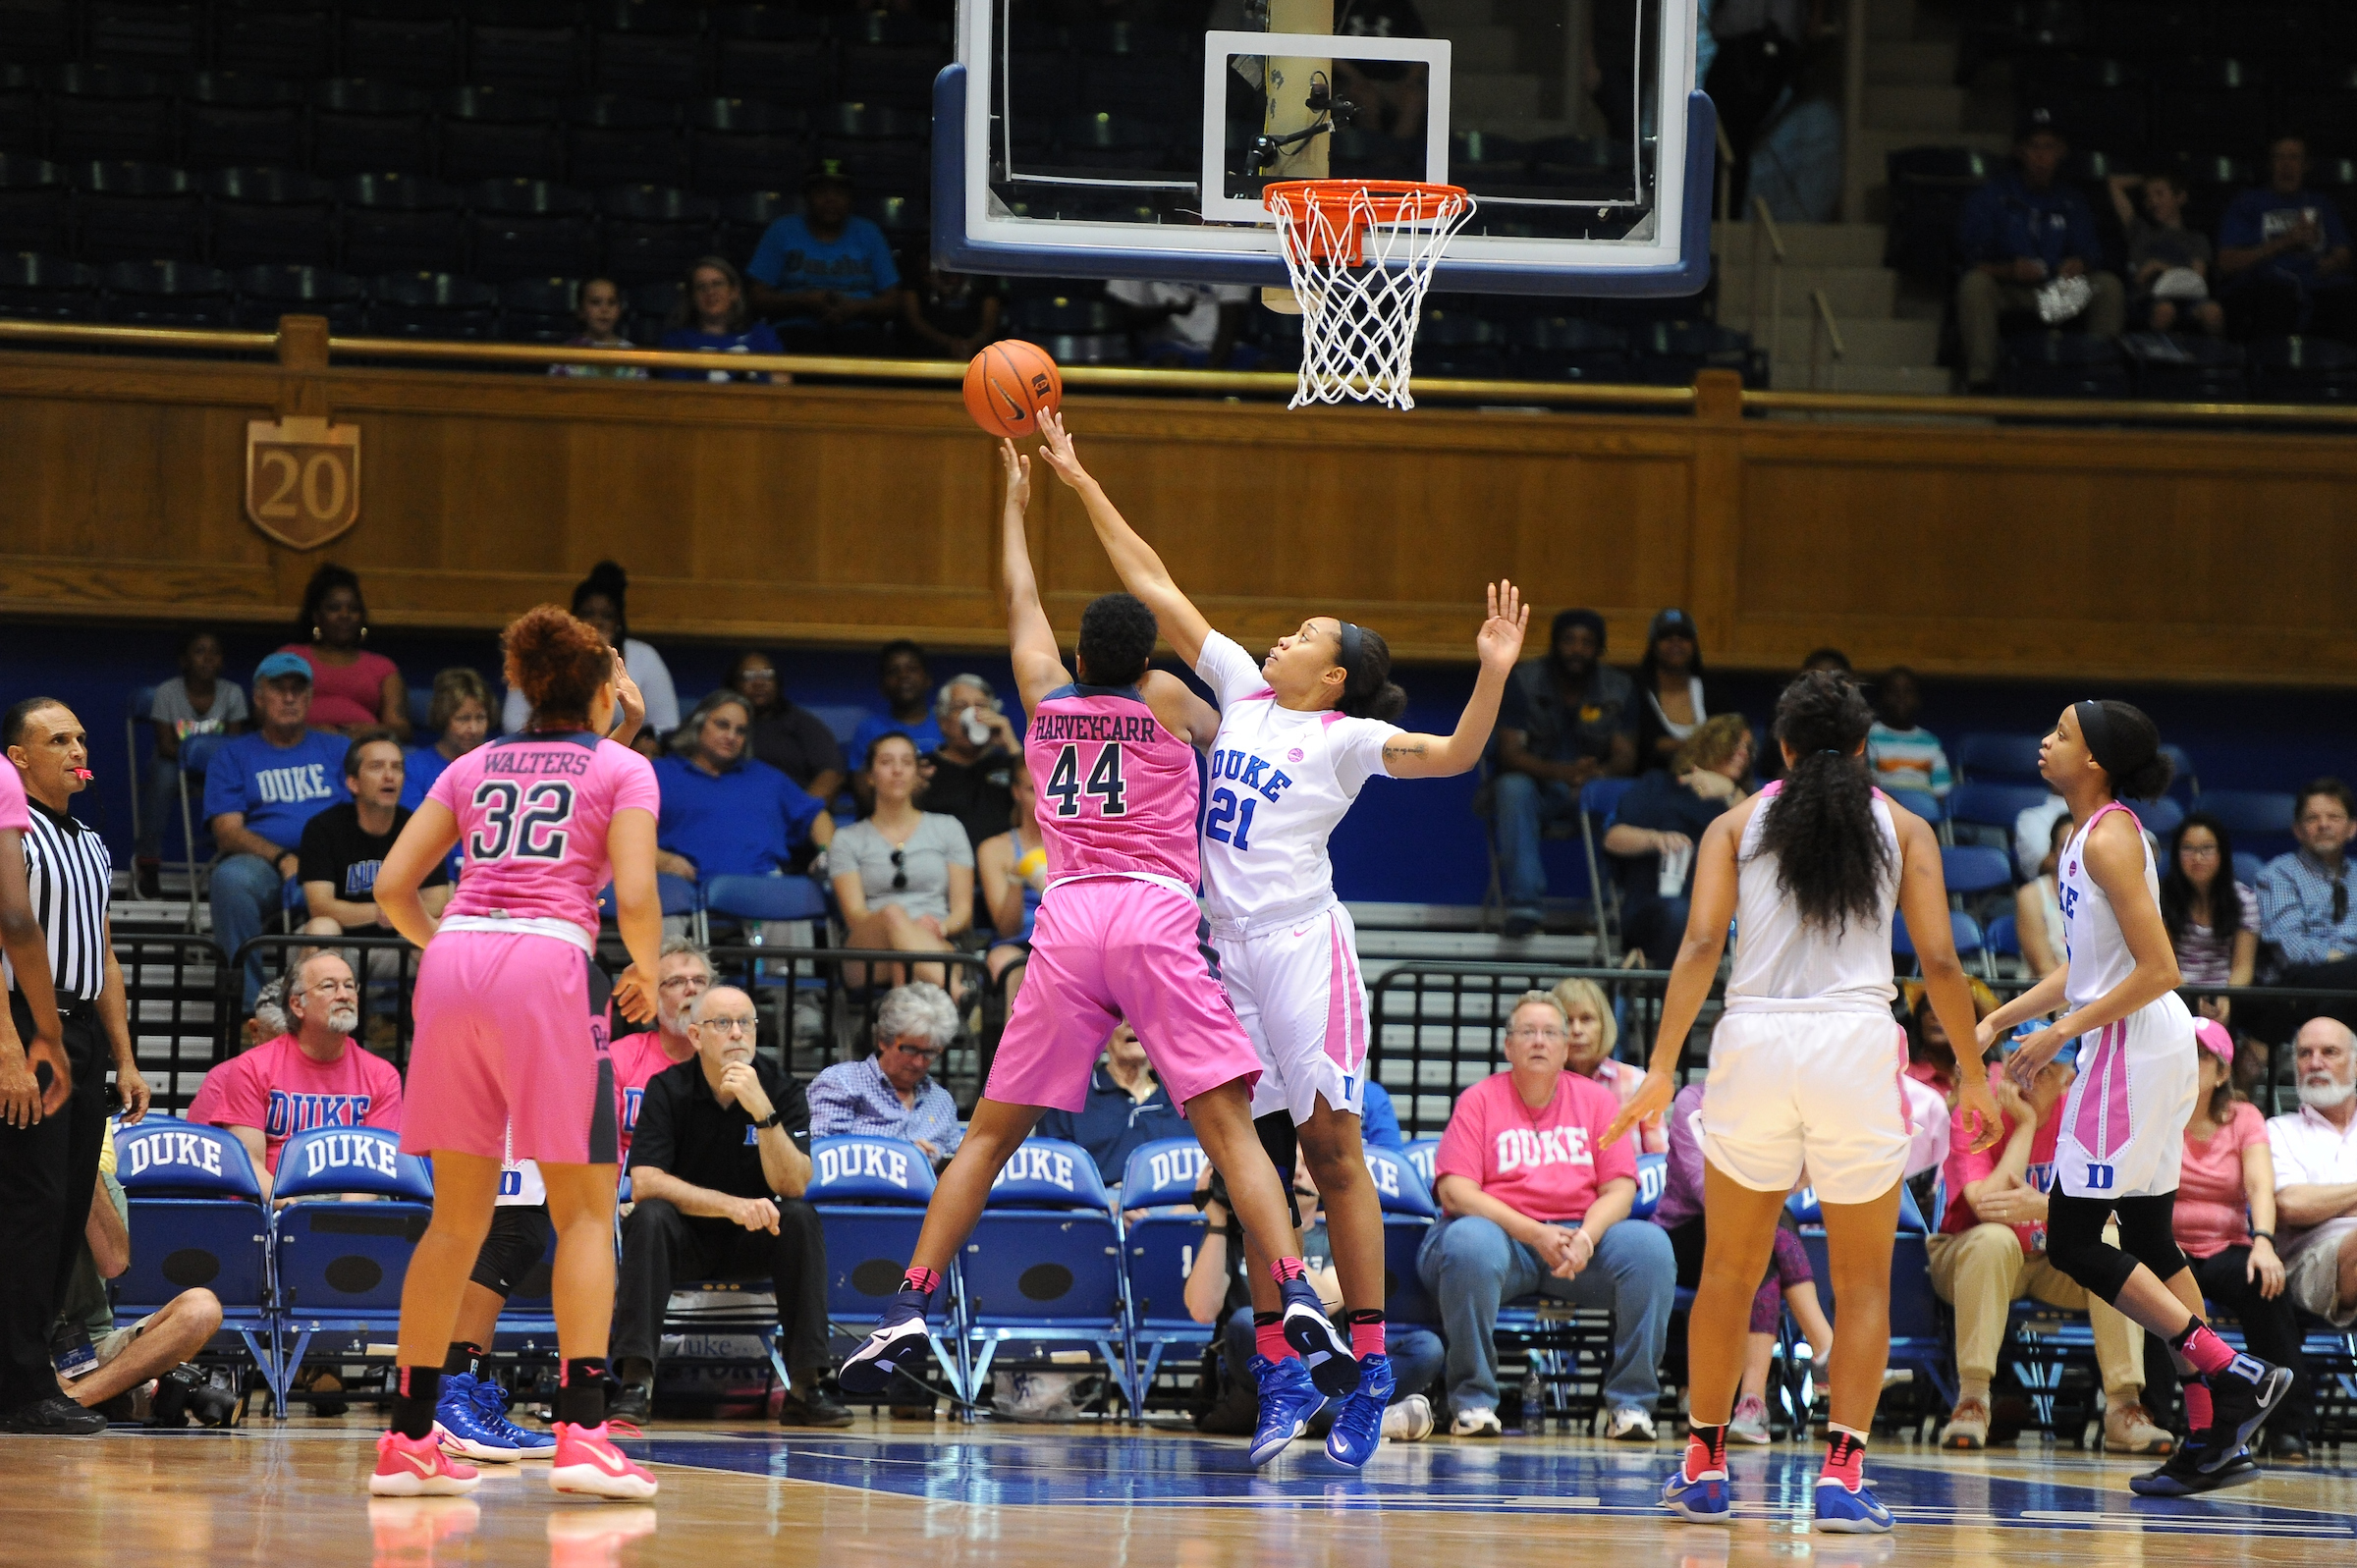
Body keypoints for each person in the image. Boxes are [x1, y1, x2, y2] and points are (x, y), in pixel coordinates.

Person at [836, 440, 1355, 1464]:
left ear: (1078, 658)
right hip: (1156, 918)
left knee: (987, 1137)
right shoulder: (1174, 703)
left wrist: (1015, 501)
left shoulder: (1045, 697)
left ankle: (907, 1307)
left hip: (1066, 924)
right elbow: (1241, 721)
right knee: (1232, 1132)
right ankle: (1297, 1291)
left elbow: (1019, 599)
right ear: (1147, 659)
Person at [1038, 405, 1529, 1468]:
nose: (1283, 636)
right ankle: (1281, 1375)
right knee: (1250, 1164)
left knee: (1333, 1155)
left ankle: (1371, 1370)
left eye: (1307, 633)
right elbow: (1155, 582)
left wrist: (1493, 671)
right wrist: (1079, 481)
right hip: (1225, 954)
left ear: (1335, 673)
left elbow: (1452, 757)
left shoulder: (1348, 738)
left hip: (1304, 947)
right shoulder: (1240, 688)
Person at [1614, 671, 2000, 1533]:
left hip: (1754, 1040)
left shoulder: (1731, 824)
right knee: (1862, 1283)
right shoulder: (1906, 826)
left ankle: (1705, 1463)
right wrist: (1973, 1073)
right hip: (1855, 1046)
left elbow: (1701, 944)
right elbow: (1941, 962)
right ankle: (1841, 1475)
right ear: (1865, 747)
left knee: (1727, 1270)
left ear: (1781, 747)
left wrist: (1663, 1065)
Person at [363, 605, 664, 1500]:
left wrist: (455, 953)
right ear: (605, 688)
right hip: (548, 963)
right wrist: (648, 971)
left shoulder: (474, 762)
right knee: (585, 1212)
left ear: (522, 686)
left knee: (455, 1219)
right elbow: (635, 893)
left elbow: (392, 885)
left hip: (454, 960)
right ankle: (584, 1432)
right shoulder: (625, 767)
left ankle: (408, 1439)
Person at [1972, 701, 2292, 1497]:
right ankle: (2211, 1434)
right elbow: (2089, 968)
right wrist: (2005, 1016)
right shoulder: (2091, 835)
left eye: (2062, 733)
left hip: (2130, 1047)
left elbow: (2160, 968)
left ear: (2096, 761)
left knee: (2074, 1238)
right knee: (2150, 1236)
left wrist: (2060, 1032)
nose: (2045, 741)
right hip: (2144, 1041)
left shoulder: (2109, 838)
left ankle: (2234, 1372)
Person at [436, 940, 719, 1457]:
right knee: (506, 1234)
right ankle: (449, 1396)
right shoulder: (525, 937)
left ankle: (469, 1393)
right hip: (505, 1059)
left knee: (520, 1234)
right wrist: (642, 964)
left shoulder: (568, 946)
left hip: (538, 1060)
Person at [1421, 990, 1676, 1440]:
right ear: (1509, 1046)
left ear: (1564, 1047)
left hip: (1578, 1246)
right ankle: (1473, 1402)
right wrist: (1534, 1232)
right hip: (1503, 1241)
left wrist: (1588, 1236)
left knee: (1650, 1247)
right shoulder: (1479, 1100)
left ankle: (1631, 1406)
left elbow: (1621, 1189)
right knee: (1468, 1241)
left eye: (1550, 1033)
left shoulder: (1598, 1102)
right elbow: (1455, 1191)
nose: (1539, 1041)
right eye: (1527, 1032)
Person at [2, 697, 152, 1436]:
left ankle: (34, 1376)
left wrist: (125, 1057)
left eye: (82, 738)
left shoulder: (91, 842)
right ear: (18, 757)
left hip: (83, 1033)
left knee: (63, 1214)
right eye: (58, 739)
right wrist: (7, 1045)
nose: (76, 749)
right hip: (27, 1025)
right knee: (30, 1208)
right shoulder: (12, 834)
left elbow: (106, 954)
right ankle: (19, 1387)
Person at [612, 985, 844, 1428]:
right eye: (723, 1023)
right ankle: (636, 1383)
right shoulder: (667, 1088)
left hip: (752, 1240)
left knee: (800, 1218)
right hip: (683, 1239)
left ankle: (806, 1386)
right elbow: (645, 1182)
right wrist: (731, 1206)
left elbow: (794, 1184)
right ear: (696, 1036)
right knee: (649, 1215)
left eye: (746, 1023)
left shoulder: (781, 1088)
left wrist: (764, 1114)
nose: (737, 1033)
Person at [1925, 1037, 2168, 1455]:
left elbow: (2117, 1213)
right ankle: (1973, 1400)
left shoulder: (2087, 1121)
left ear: (2068, 1080)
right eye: (2020, 1066)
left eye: (2043, 1071)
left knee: (2112, 1242)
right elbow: (1989, 1207)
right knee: (1994, 1239)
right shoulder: (1977, 1111)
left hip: (2055, 1263)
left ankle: (2123, 1407)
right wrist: (2023, 1126)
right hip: (1970, 1258)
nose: (2027, 1079)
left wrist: (2044, 1207)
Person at [1186, 1148, 1442, 1444]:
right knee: (1245, 1321)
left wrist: (1277, 1246)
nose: (1296, 1172)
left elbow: (1328, 1301)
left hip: (1331, 1366)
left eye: (1306, 1164)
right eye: (1290, 1162)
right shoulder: (1236, 1236)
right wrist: (1217, 1221)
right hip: (1262, 1369)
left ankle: (1317, 1413)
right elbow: (1202, 1310)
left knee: (1427, 1347)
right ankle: (1370, 1420)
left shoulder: (1337, 1237)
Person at [2141, 1019, 2309, 1460]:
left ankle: (2287, 1427)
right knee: (2151, 1289)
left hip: (2225, 1246)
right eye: (2181, 1053)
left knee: (2267, 1285)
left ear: (2221, 1072)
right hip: (2165, 1244)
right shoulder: (2153, 1112)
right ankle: (2152, 1418)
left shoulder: (2244, 1117)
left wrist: (2264, 1242)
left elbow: (2260, 1185)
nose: (2187, 1062)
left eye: (2200, 1056)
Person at [1651, 1076, 1836, 1445]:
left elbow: (1798, 1175)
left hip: (1748, 1235)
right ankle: (1826, 1350)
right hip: (1685, 1238)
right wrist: (1779, 1184)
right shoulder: (1694, 1102)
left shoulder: (1775, 1105)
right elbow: (1709, 1192)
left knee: (1759, 1235)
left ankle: (1753, 1403)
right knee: (1761, 1224)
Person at [187, 948, 403, 1197]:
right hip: (275, 1203)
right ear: (297, 1005)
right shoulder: (252, 1067)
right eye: (329, 986)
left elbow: (375, 1168)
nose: (344, 995)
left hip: (354, 1203)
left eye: (350, 986)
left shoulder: (383, 1075)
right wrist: (296, 1212)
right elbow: (249, 1164)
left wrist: (342, 1215)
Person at [204, 652, 354, 1011]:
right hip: (266, 863)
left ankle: (371, 1008)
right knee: (230, 881)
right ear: (258, 697)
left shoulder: (340, 750)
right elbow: (227, 832)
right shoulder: (232, 755)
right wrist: (283, 858)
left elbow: (363, 815)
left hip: (335, 861)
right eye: (278, 689)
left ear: (309, 697)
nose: (289, 698)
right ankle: (252, 1009)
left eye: (297, 690)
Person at [52, 1120, 227, 1424]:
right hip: (19, 1351)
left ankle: (73, 1401)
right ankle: (118, 1397)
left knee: (202, 1309)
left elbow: (113, 1264)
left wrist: (83, 1164)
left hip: (87, 1347)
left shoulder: (103, 1186)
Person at [1952, 109, 2126, 391]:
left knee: (2107, 286)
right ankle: (1981, 380)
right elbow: (1971, 258)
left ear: (2061, 152)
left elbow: (2091, 254)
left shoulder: (2071, 199)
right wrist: (2009, 270)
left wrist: (2079, 264)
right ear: (2020, 151)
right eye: (2034, 147)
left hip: (2057, 294)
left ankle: (2098, 377)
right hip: (2011, 291)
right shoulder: (1993, 195)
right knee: (1974, 284)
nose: (2042, 156)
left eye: (2049, 147)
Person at [1492, 608, 1638, 938]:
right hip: (1538, 788)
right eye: (1569, 640)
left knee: (1623, 793)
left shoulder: (1619, 687)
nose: (1577, 649)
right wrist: (1563, 773)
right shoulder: (1523, 680)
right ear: (1555, 643)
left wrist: (1594, 777)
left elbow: (1625, 757)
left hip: (1591, 788)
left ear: (1599, 648)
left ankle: (1604, 910)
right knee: (1511, 787)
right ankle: (1524, 907)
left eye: (1587, 642)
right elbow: (1510, 753)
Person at [829, 734, 973, 995]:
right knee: (892, 913)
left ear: (918, 774)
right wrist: (900, 926)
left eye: (906, 762)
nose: (897, 770)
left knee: (904, 959)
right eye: (886, 762)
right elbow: (855, 916)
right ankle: (957, 993)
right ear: (870, 776)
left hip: (934, 938)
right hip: (868, 952)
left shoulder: (948, 828)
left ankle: (903, 1020)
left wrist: (941, 927)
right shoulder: (846, 839)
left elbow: (962, 911)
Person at [1606, 714, 1753, 966]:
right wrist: (1655, 839)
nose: (1743, 753)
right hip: (1657, 907)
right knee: (1680, 914)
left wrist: (1729, 791)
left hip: (1721, 913)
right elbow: (1613, 838)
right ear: (1708, 745)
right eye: (1734, 744)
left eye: (1748, 748)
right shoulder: (1660, 787)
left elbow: (1760, 839)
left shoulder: (1742, 801)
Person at [653, 690, 832, 888]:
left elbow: (816, 816)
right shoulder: (658, 774)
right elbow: (626, 834)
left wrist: (826, 855)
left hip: (764, 889)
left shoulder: (767, 778)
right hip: (683, 890)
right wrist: (661, 860)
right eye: (722, 725)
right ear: (698, 724)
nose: (731, 736)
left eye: (740, 731)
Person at [502, 563, 678, 757]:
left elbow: (667, 726)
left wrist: (641, 735)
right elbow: (512, 722)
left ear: (619, 622)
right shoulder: (543, 654)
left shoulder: (644, 657)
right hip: (541, 751)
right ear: (573, 618)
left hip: (627, 753)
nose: (597, 622)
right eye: (588, 614)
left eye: (607, 616)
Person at [297, 731, 452, 943]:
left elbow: (437, 901)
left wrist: (392, 913)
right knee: (322, 927)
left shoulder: (419, 828)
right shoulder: (322, 828)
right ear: (353, 783)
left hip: (398, 943)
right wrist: (384, 912)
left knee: (435, 931)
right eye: (377, 767)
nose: (389, 776)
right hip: (343, 939)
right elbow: (321, 906)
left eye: (396, 767)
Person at [2266, 1019, 2357, 1354]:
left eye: (2329, 1052)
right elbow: (2291, 1206)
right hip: (2311, 1262)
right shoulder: (2278, 1131)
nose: (2315, 1063)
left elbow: (2308, 1203)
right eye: (2305, 1053)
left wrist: (2326, 1203)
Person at [2216, 135, 2357, 344]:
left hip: (2317, 284)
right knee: (2276, 297)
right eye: (2279, 157)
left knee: (2346, 297)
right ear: (2270, 165)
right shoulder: (2248, 202)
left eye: (2294, 158)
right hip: (2267, 286)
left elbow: (2343, 252)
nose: (2286, 165)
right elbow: (2226, 263)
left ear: (2306, 166)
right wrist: (2284, 242)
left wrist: (2334, 262)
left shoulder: (2321, 203)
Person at [138, 629, 247, 896]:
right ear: (184, 660)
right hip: (174, 763)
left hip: (219, 767)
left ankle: (232, 853)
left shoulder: (232, 693)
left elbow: (234, 747)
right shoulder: (167, 692)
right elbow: (165, 745)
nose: (208, 658)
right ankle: (148, 863)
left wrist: (210, 763)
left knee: (242, 776)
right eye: (199, 651)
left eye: (215, 652)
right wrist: (196, 756)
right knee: (162, 775)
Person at [805, 982, 965, 1162]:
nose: (919, 1062)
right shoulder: (842, 1083)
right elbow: (823, 1155)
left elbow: (958, 1161)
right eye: (910, 1049)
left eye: (929, 1052)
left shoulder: (941, 1101)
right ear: (883, 1040)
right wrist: (904, 1157)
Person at [743, 162, 904, 340]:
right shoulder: (782, 230)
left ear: (851, 199)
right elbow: (756, 297)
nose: (830, 200)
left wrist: (855, 307)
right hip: (793, 331)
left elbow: (893, 301)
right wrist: (804, 301)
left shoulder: (869, 232)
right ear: (807, 197)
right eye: (821, 192)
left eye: (839, 193)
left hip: (859, 331)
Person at [1033, 1023, 1190, 1188]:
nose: (1131, 1023)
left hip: (1174, 1201)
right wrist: (1102, 1202)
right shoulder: (1066, 1098)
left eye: (1141, 1016)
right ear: (1103, 1036)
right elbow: (1050, 1180)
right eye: (1121, 1016)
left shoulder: (1184, 1099)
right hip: (1095, 1201)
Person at [2257, 780, 2357, 1033]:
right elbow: (2291, 948)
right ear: (2298, 830)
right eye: (2313, 818)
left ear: (2352, 828)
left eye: (2333, 817)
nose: (2323, 825)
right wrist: (2347, 962)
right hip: (2298, 982)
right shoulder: (2278, 874)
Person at [915, 675, 1021, 909]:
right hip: (942, 887)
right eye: (961, 707)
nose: (973, 715)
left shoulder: (1010, 764)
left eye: (981, 707)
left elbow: (1042, 798)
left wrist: (1010, 743)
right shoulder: (924, 771)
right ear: (943, 721)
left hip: (1004, 880)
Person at [279, 564, 410, 739]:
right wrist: (309, 731)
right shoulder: (290, 658)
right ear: (317, 616)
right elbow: (265, 714)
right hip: (299, 744)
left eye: (353, 609)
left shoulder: (383, 667)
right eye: (334, 608)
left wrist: (374, 732)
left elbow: (401, 728)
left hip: (363, 747)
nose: (344, 615)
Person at [2161, 813, 2257, 1034]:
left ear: (2222, 853)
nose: (2197, 857)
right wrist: (2194, 1000)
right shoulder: (2161, 898)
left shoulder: (2244, 899)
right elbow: (2167, 964)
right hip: (2178, 988)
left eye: (2207, 849)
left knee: (2268, 1004)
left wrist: (2227, 996)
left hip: (2228, 989)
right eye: (2188, 849)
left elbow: (2243, 966)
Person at [1553, 976, 1666, 1153]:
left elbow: (1659, 1158)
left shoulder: (1637, 1082)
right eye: (1567, 1021)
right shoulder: (1542, 1086)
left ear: (1604, 1025)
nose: (1577, 1030)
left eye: (1586, 1019)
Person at [2107, 173, 2224, 336]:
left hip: (2187, 297)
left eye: (2159, 194)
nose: (2153, 202)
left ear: (2180, 197)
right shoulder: (2139, 230)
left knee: (2213, 311)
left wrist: (2161, 267)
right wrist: (2147, 178)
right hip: (2148, 298)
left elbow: (2197, 276)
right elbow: (2114, 183)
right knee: (2165, 310)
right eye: (2148, 196)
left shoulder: (2196, 239)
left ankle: (2216, 352)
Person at [726, 651, 846, 801]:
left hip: (792, 809)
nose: (759, 683)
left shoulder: (802, 724)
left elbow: (831, 774)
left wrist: (803, 810)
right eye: (749, 676)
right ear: (733, 684)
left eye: (767, 675)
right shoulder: (720, 727)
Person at [975, 760, 1045, 1000]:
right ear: (1016, 792)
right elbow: (1007, 930)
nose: (1044, 798)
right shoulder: (995, 849)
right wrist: (1016, 880)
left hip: (1069, 939)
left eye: (1050, 788)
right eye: (1032, 789)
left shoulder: (1079, 844)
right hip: (1019, 943)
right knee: (1005, 962)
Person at [657, 256, 785, 382]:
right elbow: (677, 391)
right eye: (701, 287)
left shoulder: (762, 335)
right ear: (692, 297)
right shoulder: (676, 341)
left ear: (734, 292)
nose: (710, 292)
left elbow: (782, 385)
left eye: (717, 284)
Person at [849, 640, 942, 790]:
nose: (903, 676)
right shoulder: (868, 729)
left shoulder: (946, 724)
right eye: (893, 671)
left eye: (912, 669)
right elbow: (863, 788)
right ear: (882, 686)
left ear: (927, 680)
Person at [1106, 278, 1257, 369]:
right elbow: (1129, 317)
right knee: (1172, 366)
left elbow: (1231, 322)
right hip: (1168, 344)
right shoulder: (1142, 243)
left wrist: (1211, 374)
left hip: (1225, 348)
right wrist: (1167, 311)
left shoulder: (1225, 244)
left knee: (1266, 370)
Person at [1633, 609, 1717, 773]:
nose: (1675, 642)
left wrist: (1672, 746)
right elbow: (1642, 745)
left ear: (1694, 644)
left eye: (1683, 636)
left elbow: (1728, 739)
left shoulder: (1713, 690)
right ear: (1653, 646)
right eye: (1666, 636)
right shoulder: (1635, 691)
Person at [400, 670, 493, 810]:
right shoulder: (413, 768)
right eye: (463, 719)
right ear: (443, 718)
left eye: (480, 718)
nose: (473, 729)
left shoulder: (501, 763)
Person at [1865, 667, 1951, 799]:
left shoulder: (1930, 742)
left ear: (1918, 700)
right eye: (1893, 691)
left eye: (1908, 692)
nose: (1901, 698)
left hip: (1922, 807)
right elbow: (1870, 788)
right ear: (1881, 698)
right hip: (1885, 806)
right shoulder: (1871, 736)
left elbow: (1943, 791)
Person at [548, 276, 648, 379]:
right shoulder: (566, 354)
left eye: (611, 302)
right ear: (581, 310)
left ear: (619, 310)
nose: (604, 309)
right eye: (595, 302)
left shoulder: (633, 354)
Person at [901, 261, 1004, 360]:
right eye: (946, 275)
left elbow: (990, 319)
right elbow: (914, 318)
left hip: (978, 351)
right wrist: (948, 343)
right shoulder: (920, 267)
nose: (953, 280)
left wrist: (973, 343)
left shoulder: (984, 269)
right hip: (926, 354)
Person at [2016, 814, 2073, 980]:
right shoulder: (2032, 896)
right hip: (2049, 990)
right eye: (2065, 846)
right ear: (2053, 853)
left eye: (2079, 845)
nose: (2073, 854)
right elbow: (2044, 968)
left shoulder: (2105, 893)